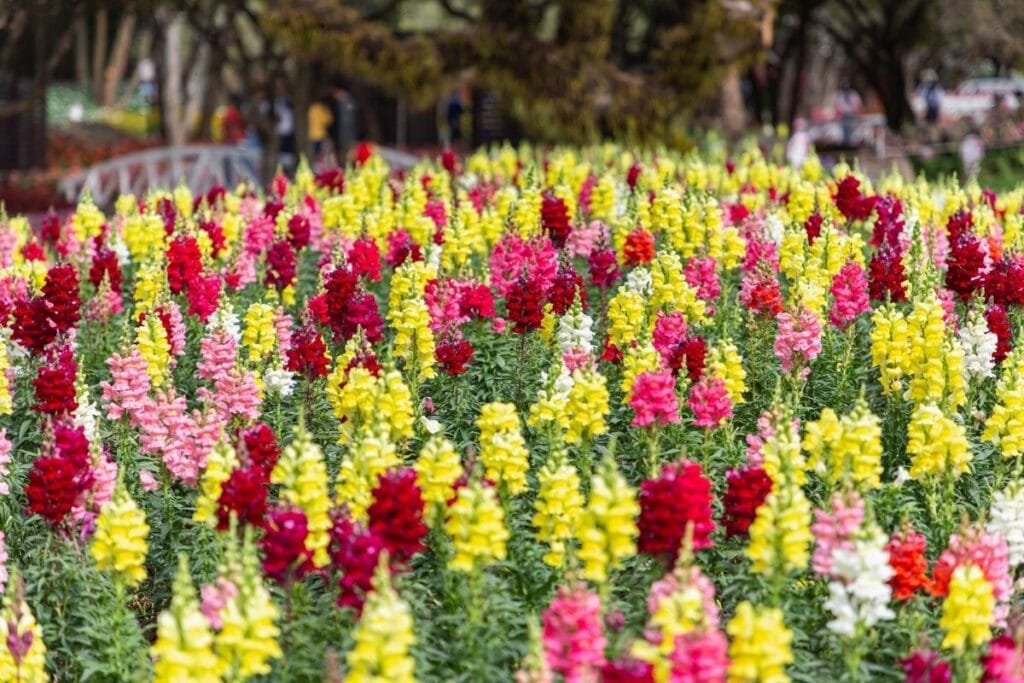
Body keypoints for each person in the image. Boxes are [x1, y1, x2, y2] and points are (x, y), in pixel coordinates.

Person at [834, 82, 861, 147]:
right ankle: (846, 144)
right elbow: (837, 104)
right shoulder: (840, 94)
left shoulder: (853, 94)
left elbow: (858, 103)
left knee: (852, 129)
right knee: (845, 130)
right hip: (844, 115)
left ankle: (852, 144)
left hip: (852, 115)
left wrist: (854, 110)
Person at [308, 97, 334, 163]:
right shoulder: (323, 108)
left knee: (315, 154)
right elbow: (328, 121)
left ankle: (316, 167)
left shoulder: (312, 108)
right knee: (323, 154)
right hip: (322, 134)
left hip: (312, 135)